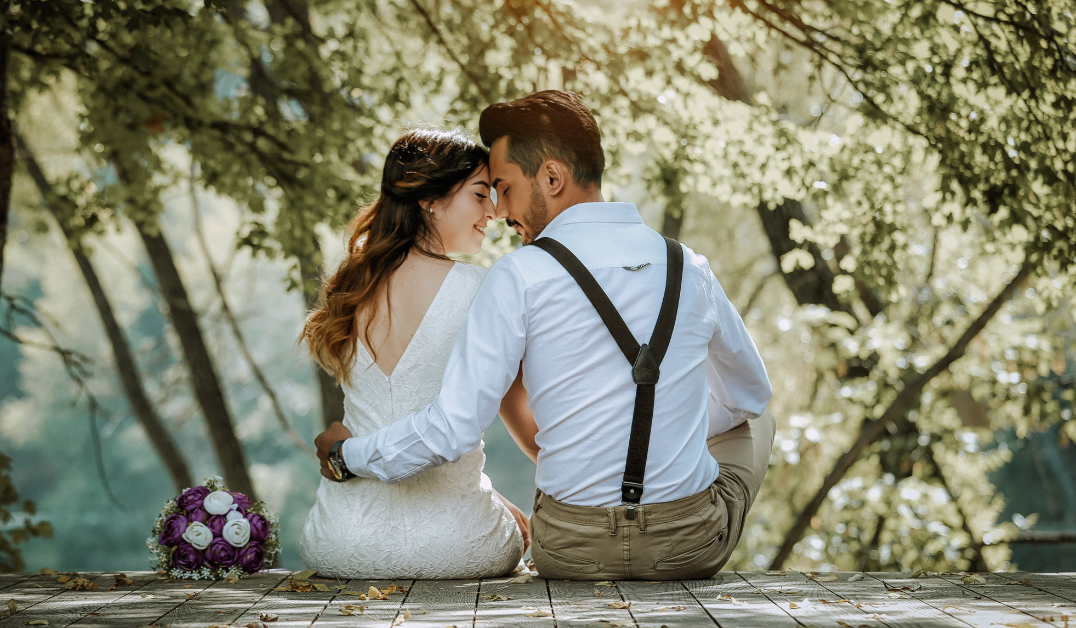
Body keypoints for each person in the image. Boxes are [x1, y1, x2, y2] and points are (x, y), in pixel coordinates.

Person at [314, 91, 776, 580]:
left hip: (568, 549)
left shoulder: (517, 276)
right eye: (487, 191)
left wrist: (348, 455)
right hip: (687, 546)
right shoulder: (691, 267)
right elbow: (749, 395)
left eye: (504, 187)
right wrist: (669, 431)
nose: (499, 210)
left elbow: (453, 427)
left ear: (552, 178)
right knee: (756, 417)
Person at [298, 128, 535, 579]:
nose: (494, 211)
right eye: (480, 194)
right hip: (459, 545)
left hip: (342, 543)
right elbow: (524, 428)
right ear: (429, 199)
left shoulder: (350, 289)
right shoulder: (483, 289)